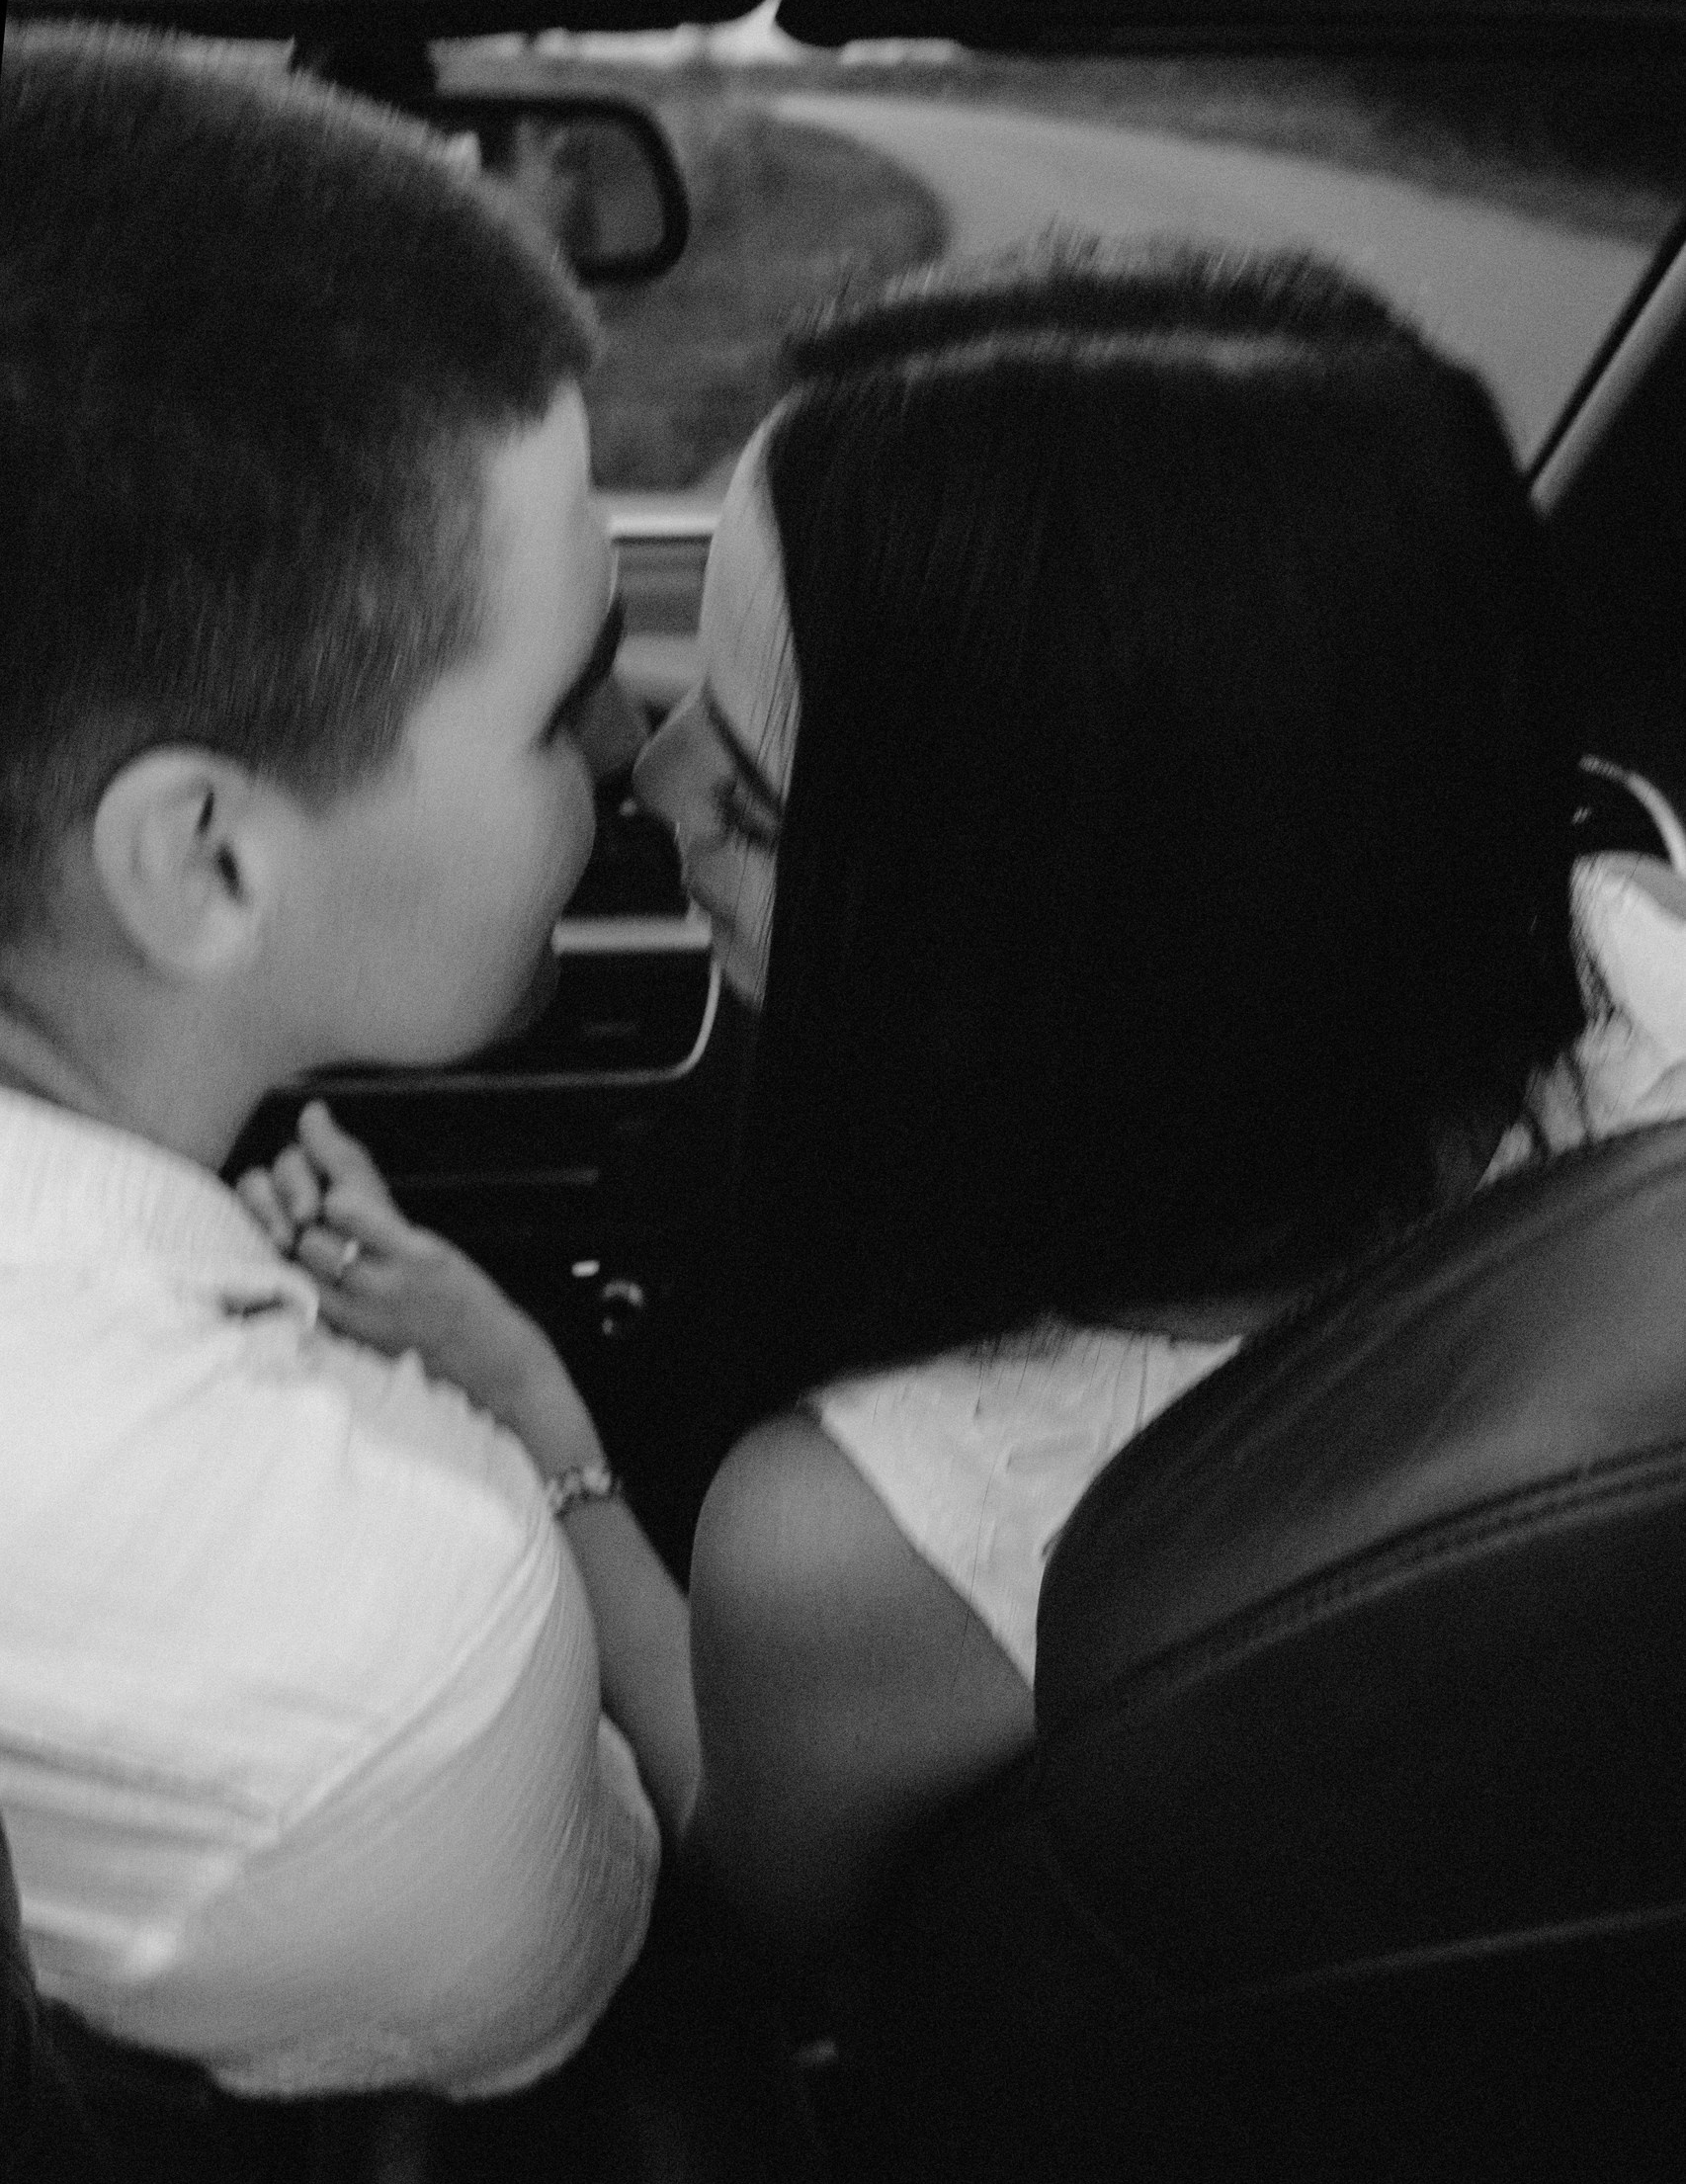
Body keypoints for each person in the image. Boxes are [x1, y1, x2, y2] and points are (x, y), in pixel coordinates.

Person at [246, 244, 1686, 1964]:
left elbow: (755, 1887)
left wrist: (535, 1425)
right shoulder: (1634, 954)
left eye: (758, 805)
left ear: (1024, 955)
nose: (652, 773)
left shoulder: (864, 1538)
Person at [0, 24, 699, 2095]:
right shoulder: (389, 1657)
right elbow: (564, 1970)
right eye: (560, 699)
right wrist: (514, 1447)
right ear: (206, 856)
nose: (635, 753)